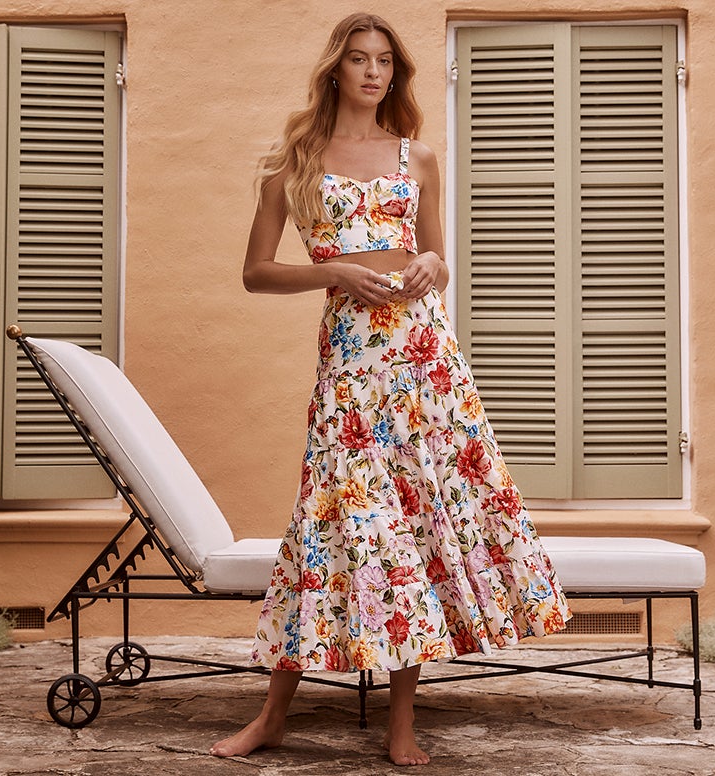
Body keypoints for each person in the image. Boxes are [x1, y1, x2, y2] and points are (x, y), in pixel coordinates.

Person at [210, 12, 571, 767]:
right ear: (335, 69)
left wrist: (434, 266)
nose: (373, 73)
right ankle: (273, 716)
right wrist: (334, 271)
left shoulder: (421, 157)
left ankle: (402, 724)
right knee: (324, 527)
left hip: (424, 361)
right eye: (358, 59)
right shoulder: (295, 162)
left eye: (384, 62)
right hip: (349, 365)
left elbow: (436, 254)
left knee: (416, 528)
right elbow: (255, 272)